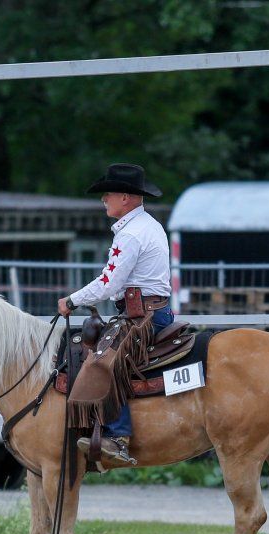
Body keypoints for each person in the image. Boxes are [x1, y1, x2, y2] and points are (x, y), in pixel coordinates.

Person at [56, 163, 173, 467]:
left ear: (125, 197)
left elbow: (109, 283)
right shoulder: (147, 225)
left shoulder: (132, 234)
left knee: (105, 360)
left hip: (143, 317)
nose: (103, 200)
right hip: (149, 311)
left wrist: (72, 300)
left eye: (108, 194)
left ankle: (118, 436)